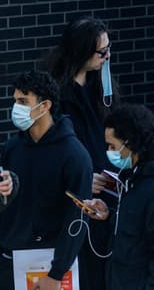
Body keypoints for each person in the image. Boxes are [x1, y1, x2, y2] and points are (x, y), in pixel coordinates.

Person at [0, 70, 93, 290]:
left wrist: (57, 272)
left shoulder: (74, 155)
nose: (17, 108)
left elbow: (77, 218)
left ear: (45, 106)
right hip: (10, 259)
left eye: (23, 101)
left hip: (50, 263)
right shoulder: (12, 148)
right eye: (15, 101)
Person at [46, 17, 119, 290]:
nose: (107, 56)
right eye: (101, 52)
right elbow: (51, 152)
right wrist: (81, 179)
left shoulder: (100, 86)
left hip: (101, 195)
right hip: (73, 198)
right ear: (81, 51)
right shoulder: (59, 94)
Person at [83, 104, 154, 290]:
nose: (109, 151)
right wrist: (110, 216)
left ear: (130, 143)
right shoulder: (133, 181)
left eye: (112, 146)